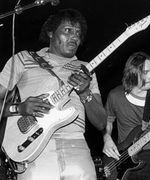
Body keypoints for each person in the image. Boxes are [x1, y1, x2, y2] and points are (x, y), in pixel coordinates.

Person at [0, 9, 107, 179]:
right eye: (68, 30)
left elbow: (101, 122)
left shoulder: (86, 68)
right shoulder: (23, 59)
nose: (74, 37)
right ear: (50, 32)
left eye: (78, 33)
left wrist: (85, 92)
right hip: (34, 149)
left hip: (77, 148)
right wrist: (19, 108)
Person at [103, 51, 150, 180]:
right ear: (132, 73)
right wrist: (107, 139)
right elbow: (107, 121)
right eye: (146, 72)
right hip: (123, 159)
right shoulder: (115, 96)